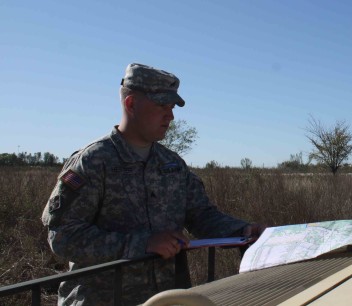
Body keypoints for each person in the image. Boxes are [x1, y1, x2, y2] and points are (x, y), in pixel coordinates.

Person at [41, 63, 265, 305]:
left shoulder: (172, 163)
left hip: (166, 299)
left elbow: (201, 215)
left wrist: (241, 231)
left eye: (171, 107)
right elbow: (63, 236)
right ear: (131, 104)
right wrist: (143, 243)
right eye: (161, 105)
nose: (170, 115)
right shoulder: (94, 161)